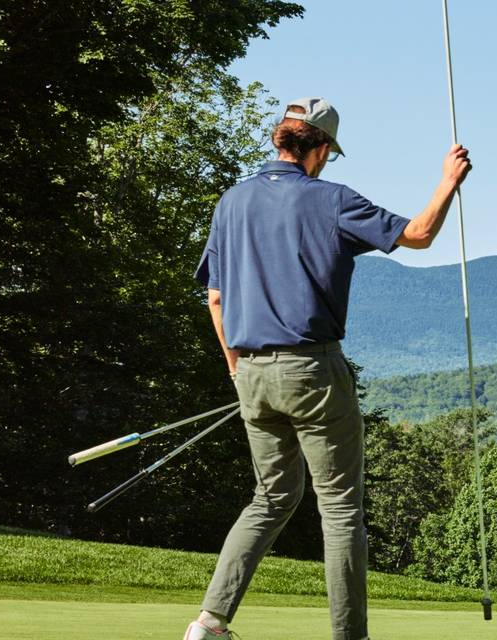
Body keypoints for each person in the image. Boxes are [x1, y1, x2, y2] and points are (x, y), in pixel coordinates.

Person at [185, 97, 472, 640]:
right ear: (317, 148)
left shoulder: (231, 202)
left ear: (278, 140)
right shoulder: (332, 201)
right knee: (340, 511)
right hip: (312, 369)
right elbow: (418, 235)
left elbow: (216, 299)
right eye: (327, 154)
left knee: (270, 498)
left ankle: (209, 623)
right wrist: (448, 180)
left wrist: (236, 369)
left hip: (250, 371)